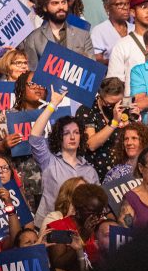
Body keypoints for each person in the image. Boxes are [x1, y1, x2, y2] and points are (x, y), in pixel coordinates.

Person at [29, 89, 99, 222]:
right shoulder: (49, 161)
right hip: (49, 226)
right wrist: (53, 104)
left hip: (80, 228)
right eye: (66, 133)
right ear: (59, 137)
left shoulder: (90, 171)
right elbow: (34, 137)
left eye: (76, 132)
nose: (72, 137)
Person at [21, 0, 94, 69]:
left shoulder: (83, 35)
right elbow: (31, 72)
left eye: (64, 2)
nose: (61, 7)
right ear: (45, 7)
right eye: (55, 3)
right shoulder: (33, 38)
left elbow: (92, 69)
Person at [107, 0, 148, 95]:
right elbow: (115, 84)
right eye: (144, 7)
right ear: (132, 12)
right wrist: (127, 108)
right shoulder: (122, 45)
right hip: (135, 106)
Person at [91, 0, 132, 64]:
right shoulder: (99, 31)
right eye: (120, 4)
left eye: (127, 3)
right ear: (107, 7)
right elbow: (96, 61)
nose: (126, 8)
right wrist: (118, 62)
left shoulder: (134, 28)